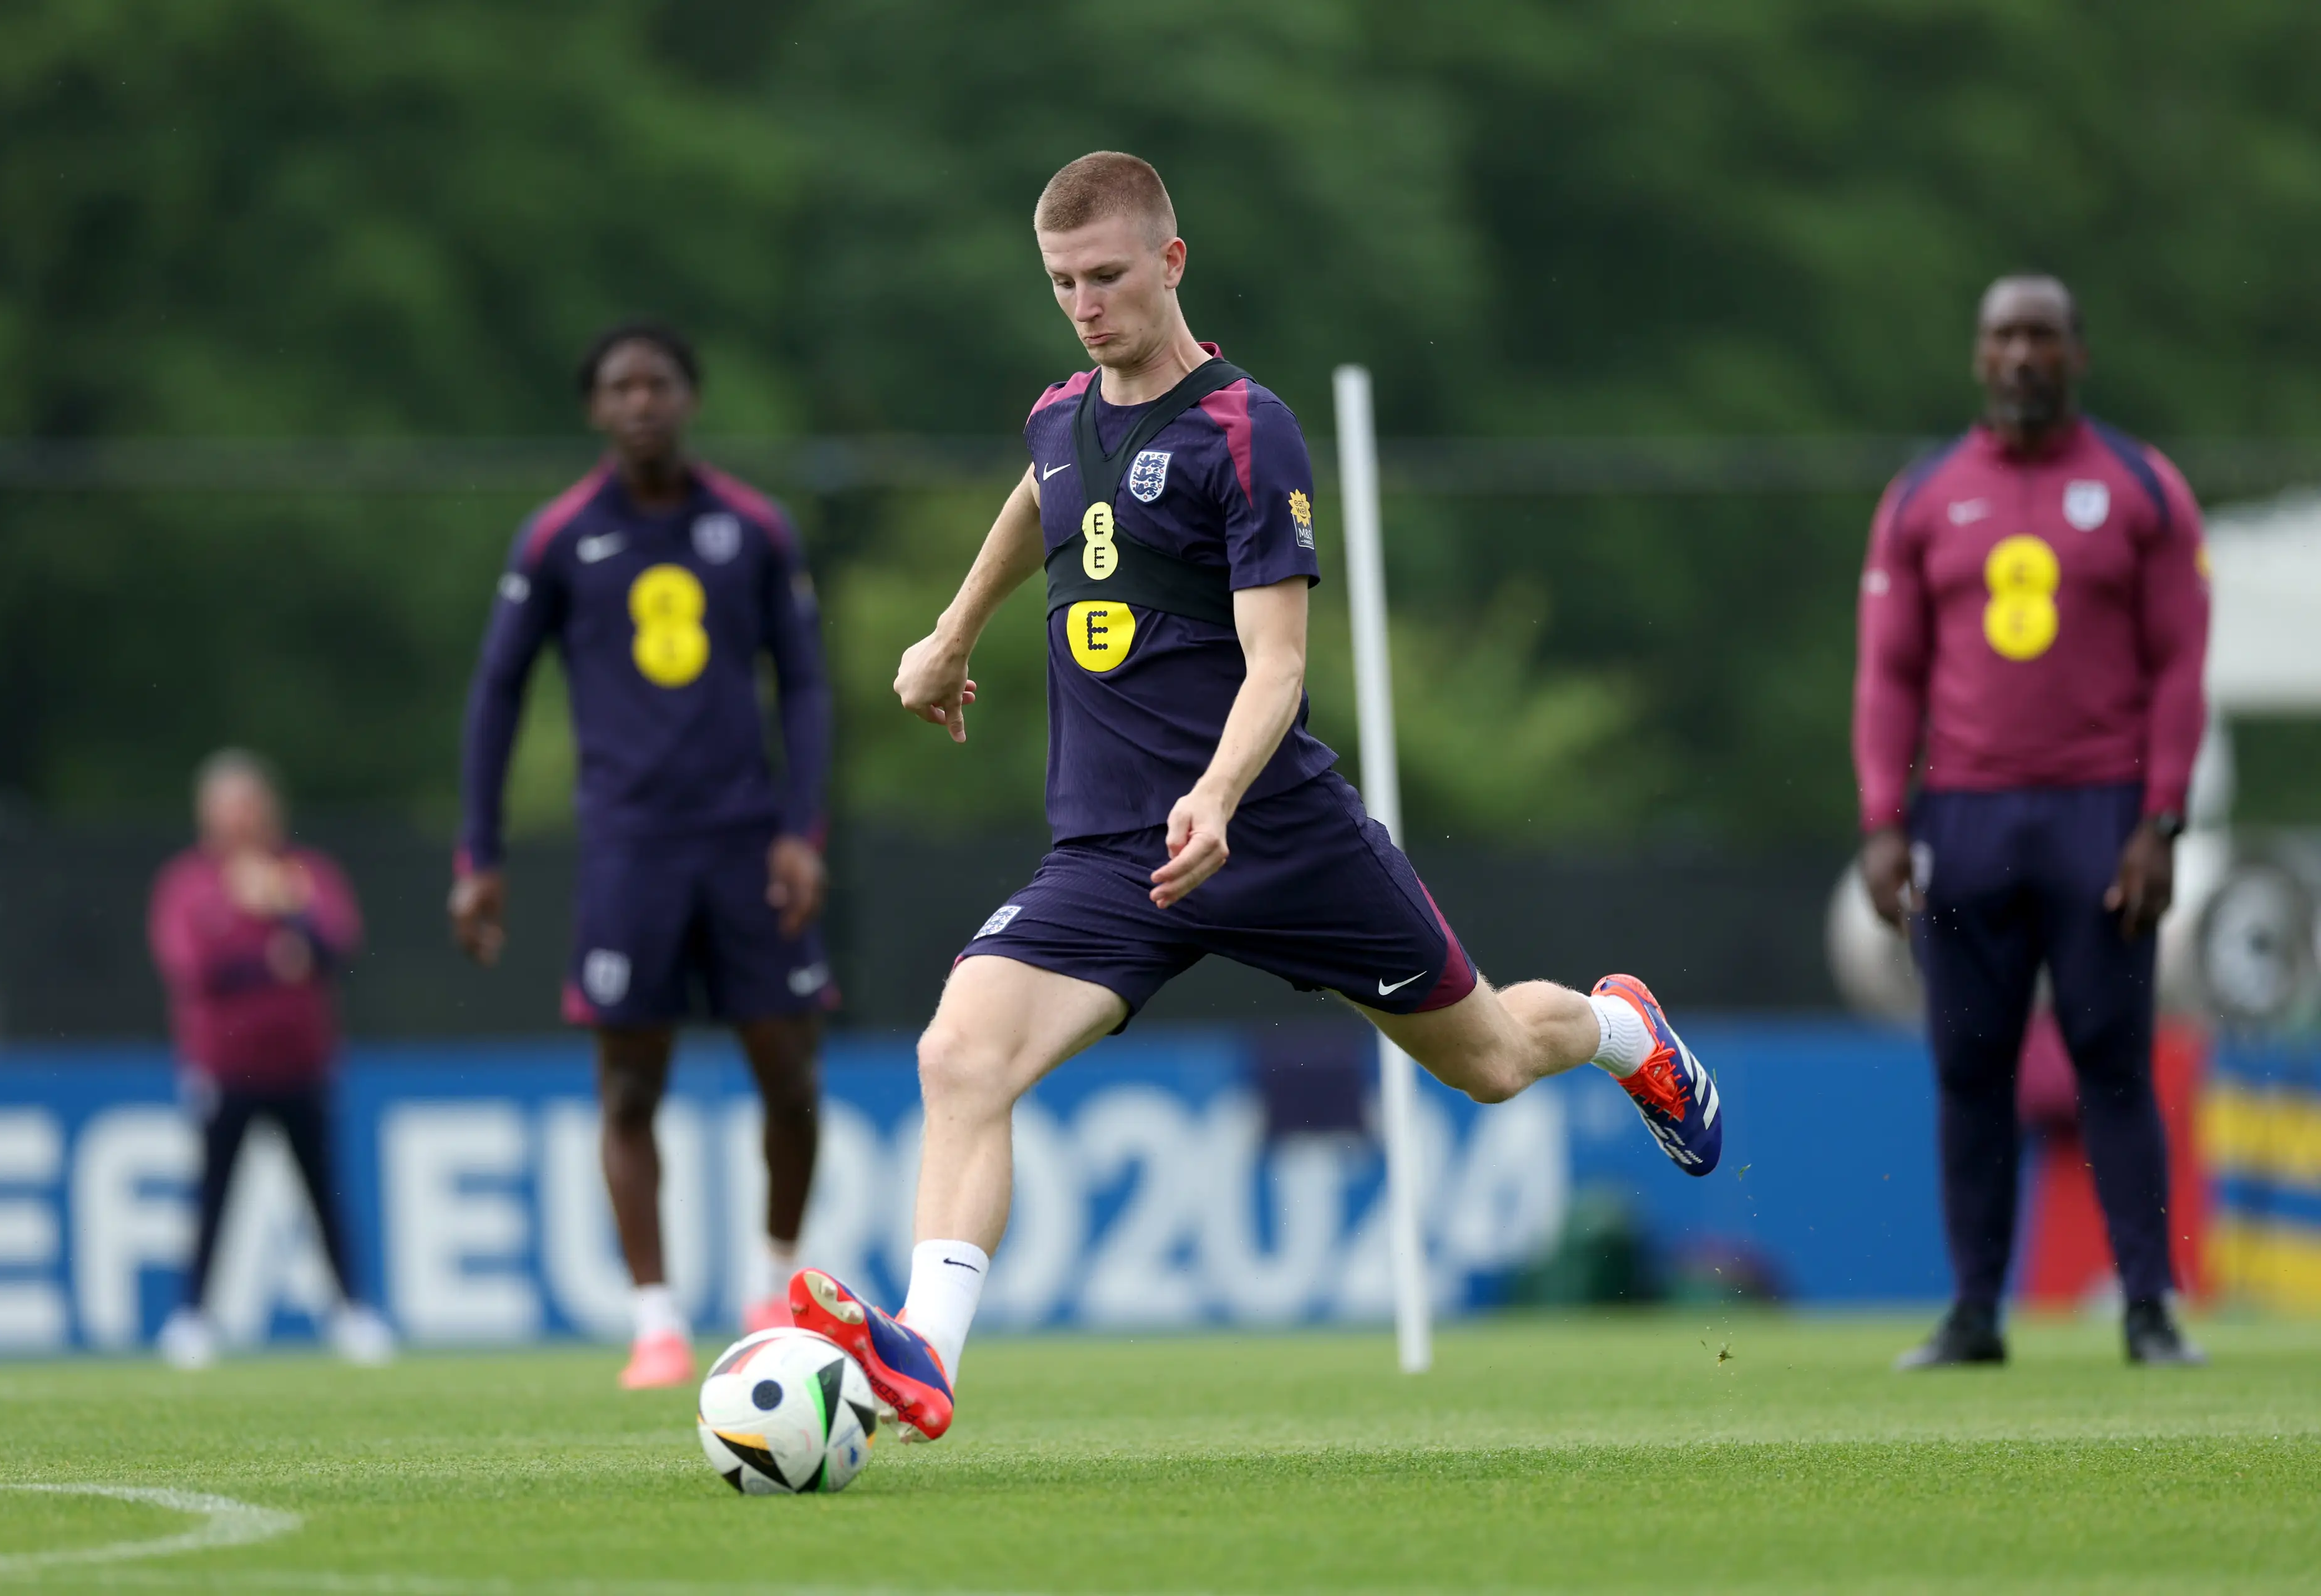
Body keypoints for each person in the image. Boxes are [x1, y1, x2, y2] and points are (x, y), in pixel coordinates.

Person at [783, 152, 1723, 1441]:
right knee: (959, 1054)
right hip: (1114, 853)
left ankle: (1625, 1032)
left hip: (1274, 835)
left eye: (1107, 275)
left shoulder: (1245, 427)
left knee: (1495, 1060)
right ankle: (927, 1354)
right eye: (1062, 282)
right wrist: (952, 633)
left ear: (1172, 261)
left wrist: (1219, 795)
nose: (1085, 304)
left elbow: (1280, 662)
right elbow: (1041, 495)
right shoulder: (1061, 415)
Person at [451, 322, 833, 1389]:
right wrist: (479, 850)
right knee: (628, 1090)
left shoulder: (754, 529)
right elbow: (497, 692)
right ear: (594, 409)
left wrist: (804, 833)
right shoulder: (559, 538)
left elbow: (803, 686)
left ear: (689, 397)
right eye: (619, 388)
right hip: (628, 850)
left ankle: (773, 1288)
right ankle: (656, 1320)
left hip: (747, 842)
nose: (640, 403)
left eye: (658, 384)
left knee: (791, 1078)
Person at [1853, 274, 2211, 1367]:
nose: (2021, 356)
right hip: (1964, 815)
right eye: (2004, 336)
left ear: (2076, 356)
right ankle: (1974, 1313)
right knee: (1971, 1069)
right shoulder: (1923, 496)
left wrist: (2163, 819)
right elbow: (1889, 671)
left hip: (2098, 811)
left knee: (2112, 1056)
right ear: (1978, 356)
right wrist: (1881, 819)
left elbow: (2180, 666)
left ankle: (2148, 1308)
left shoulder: (2142, 489)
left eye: (2041, 337)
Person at [147, 749, 394, 1368]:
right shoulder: (189, 883)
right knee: (214, 1196)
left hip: (303, 1064)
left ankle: (352, 1312)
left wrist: (285, 907)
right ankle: (194, 1318)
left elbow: (338, 945)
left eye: (249, 808)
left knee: (323, 1192)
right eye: (228, 810)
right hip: (223, 1069)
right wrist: (271, 958)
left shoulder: (304, 873)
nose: (240, 822)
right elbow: (196, 969)